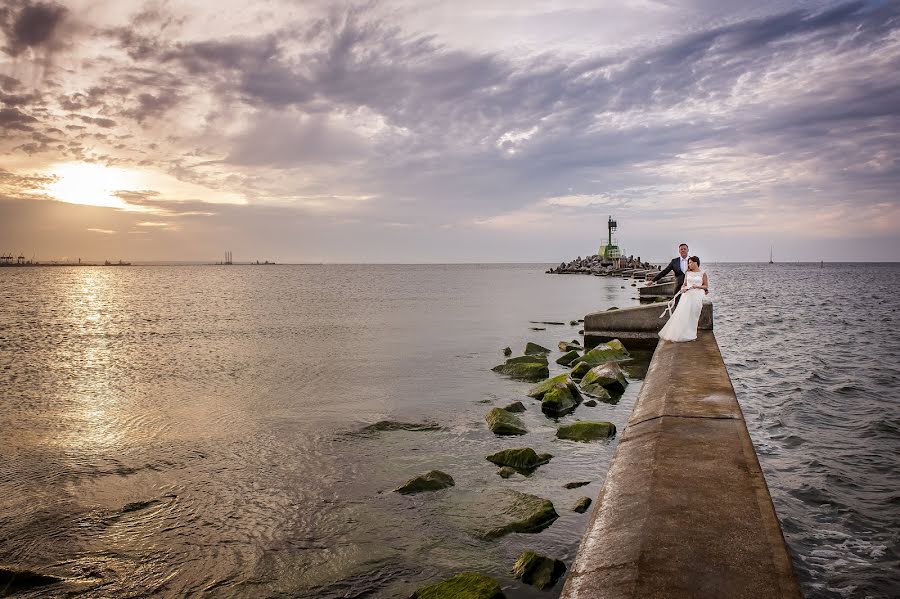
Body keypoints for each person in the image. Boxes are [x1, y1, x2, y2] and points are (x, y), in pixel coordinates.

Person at [658, 256, 709, 342]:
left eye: (691, 262)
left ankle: (691, 333)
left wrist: (698, 286)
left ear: (696, 263)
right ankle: (682, 333)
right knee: (683, 314)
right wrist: (683, 288)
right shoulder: (688, 273)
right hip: (687, 295)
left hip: (697, 295)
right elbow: (684, 284)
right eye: (689, 262)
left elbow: (706, 285)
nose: (689, 264)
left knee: (694, 314)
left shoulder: (703, 273)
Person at [648, 242, 689, 307]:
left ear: (688, 250)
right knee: (677, 306)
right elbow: (665, 271)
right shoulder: (674, 261)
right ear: (679, 251)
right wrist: (653, 280)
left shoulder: (693, 260)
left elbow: (698, 274)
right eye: (681, 249)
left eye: (684, 249)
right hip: (678, 287)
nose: (683, 250)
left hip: (690, 287)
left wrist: (704, 288)